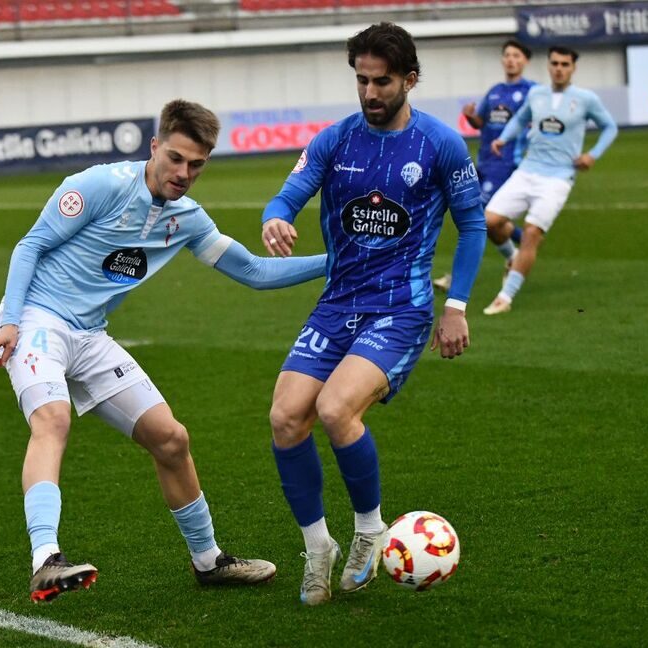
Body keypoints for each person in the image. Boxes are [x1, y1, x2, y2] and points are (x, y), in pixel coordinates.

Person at [0, 99, 328, 602]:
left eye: (197, 165)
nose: (184, 173)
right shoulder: (100, 185)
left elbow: (252, 271)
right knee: (53, 420)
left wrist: (337, 262)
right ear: (155, 146)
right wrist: (10, 322)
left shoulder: (187, 219)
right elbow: (29, 247)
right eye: (177, 159)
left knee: (171, 439)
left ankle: (209, 562)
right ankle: (45, 560)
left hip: (91, 335)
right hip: (37, 319)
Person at [259, 23, 486, 606]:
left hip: (400, 309)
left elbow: (474, 226)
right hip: (338, 304)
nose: (369, 93)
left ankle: (369, 530)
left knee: (336, 409)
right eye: (361, 80)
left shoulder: (440, 145)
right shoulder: (335, 140)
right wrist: (276, 217)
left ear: (409, 79)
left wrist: (455, 306)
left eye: (381, 82)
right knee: (287, 418)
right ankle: (318, 547)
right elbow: (288, 194)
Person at [481, 45, 618, 315]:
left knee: (532, 232)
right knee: (488, 222)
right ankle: (512, 257)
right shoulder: (536, 94)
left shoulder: (586, 98)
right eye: (555, 63)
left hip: (558, 177)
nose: (559, 68)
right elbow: (519, 120)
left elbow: (610, 127)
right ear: (548, 65)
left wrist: (593, 155)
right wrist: (502, 138)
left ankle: (505, 297)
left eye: (565, 64)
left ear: (573, 68)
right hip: (528, 171)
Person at [433, 39, 535, 292]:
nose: (511, 59)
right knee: (484, 219)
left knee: (477, 219)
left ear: (525, 61)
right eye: (507, 55)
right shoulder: (495, 91)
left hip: (509, 163)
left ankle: (459, 279)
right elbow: (481, 123)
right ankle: (521, 249)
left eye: (516, 55)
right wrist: (472, 117)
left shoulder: (533, 91)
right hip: (485, 162)